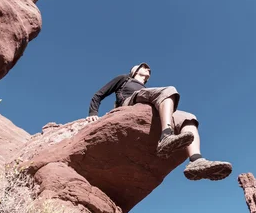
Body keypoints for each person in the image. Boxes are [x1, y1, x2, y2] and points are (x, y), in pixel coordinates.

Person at [86, 62, 232, 181]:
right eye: (143, 67)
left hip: (152, 106)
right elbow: (98, 95)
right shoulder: (124, 79)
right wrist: (93, 113)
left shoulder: (147, 89)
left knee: (189, 118)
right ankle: (166, 135)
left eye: (148, 68)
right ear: (134, 71)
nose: (148, 69)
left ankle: (196, 161)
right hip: (130, 102)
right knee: (169, 90)